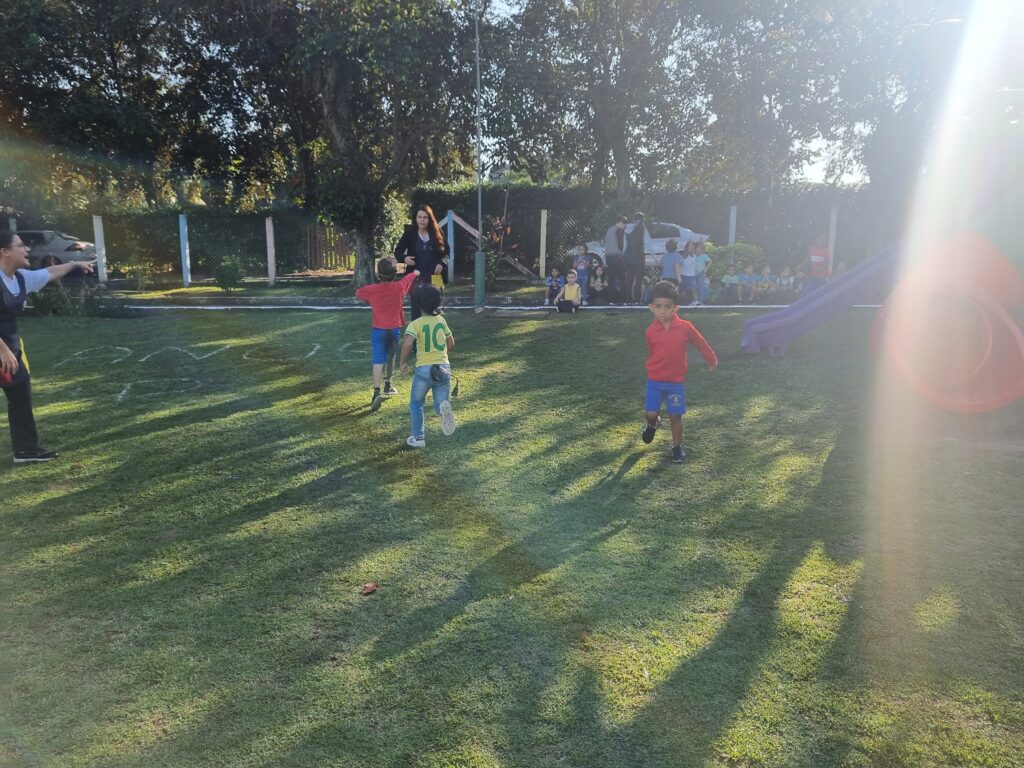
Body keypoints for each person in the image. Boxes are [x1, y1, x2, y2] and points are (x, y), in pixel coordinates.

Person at [0, 229, 96, 463]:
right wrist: (2, 350)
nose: (26, 249)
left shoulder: (20, 277)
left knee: (21, 398)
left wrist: (75, 264)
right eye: (20, 245)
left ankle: (26, 451)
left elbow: (50, 272)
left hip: (11, 350)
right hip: (3, 351)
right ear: (4, 251)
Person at [641, 280, 717, 463]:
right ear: (651, 308)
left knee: (676, 415)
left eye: (667, 307)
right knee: (651, 413)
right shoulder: (650, 331)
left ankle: (676, 448)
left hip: (676, 383)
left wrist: (711, 359)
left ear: (675, 308)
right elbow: (653, 352)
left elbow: (700, 342)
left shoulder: (685, 327)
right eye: (658, 307)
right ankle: (653, 424)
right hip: (655, 382)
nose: (662, 311)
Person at [354, 257, 419, 411]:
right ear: (395, 274)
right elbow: (409, 278)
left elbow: (359, 293)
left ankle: (376, 391)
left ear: (379, 274)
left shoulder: (372, 290)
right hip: (393, 329)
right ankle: (388, 385)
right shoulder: (400, 287)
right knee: (391, 356)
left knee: (378, 359)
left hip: (378, 330)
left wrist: (371, 300)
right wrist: (415, 272)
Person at [399, 285, 456, 448]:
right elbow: (451, 343)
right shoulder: (442, 321)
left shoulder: (415, 324)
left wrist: (402, 362)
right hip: (443, 367)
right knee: (440, 402)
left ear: (418, 304)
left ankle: (418, 438)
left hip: (424, 369)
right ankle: (442, 409)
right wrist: (442, 355)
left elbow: (407, 344)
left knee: (416, 404)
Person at [394, 205, 449, 320]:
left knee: (435, 311)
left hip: (436, 277)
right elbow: (398, 251)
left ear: (430, 219)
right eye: (419, 217)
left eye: (425, 217)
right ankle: (415, 332)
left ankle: (436, 331)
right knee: (416, 311)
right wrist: (404, 258)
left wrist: (442, 263)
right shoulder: (410, 233)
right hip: (415, 277)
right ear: (415, 218)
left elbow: (447, 252)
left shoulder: (438, 232)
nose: (422, 220)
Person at [623, 212, 652, 304]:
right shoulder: (644, 230)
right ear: (643, 220)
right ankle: (636, 300)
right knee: (638, 280)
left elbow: (624, 244)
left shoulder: (627, 228)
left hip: (628, 257)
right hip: (639, 257)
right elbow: (648, 244)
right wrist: (655, 256)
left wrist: (623, 256)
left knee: (629, 279)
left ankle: (627, 300)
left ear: (634, 219)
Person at [603, 216, 627, 303]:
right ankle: (623, 300)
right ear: (620, 222)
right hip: (618, 257)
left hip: (609, 257)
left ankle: (611, 300)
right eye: (624, 224)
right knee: (622, 279)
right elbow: (621, 245)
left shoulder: (609, 230)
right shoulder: (619, 230)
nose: (624, 226)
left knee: (611, 279)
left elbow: (605, 242)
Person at [680, 241, 700, 305]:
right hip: (684, 276)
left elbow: (700, 248)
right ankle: (680, 302)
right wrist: (690, 242)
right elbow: (688, 251)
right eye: (691, 247)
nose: (692, 249)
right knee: (684, 291)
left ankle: (696, 301)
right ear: (687, 248)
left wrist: (701, 241)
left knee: (694, 289)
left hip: (692, 276)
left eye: (693, 248)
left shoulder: (694, 255)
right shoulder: (684, 255)